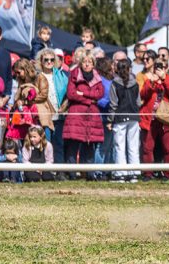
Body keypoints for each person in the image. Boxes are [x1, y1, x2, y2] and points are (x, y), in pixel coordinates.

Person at [62, 52, 104, 180]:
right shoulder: (74, 75)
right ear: (81, 63)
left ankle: (90, 173)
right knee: (73, 144)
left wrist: (82, 94)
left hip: (92, 115)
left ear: (93, 64)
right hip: (76, 114)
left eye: (89, 62)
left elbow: (100, 94)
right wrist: (89, 100)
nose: (87, 64)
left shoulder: (97, 77)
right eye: (85, 62)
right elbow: (71, 94)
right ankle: (72, 173)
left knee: (90, 145)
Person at [139, 60, 169, 181]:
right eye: (156, 67)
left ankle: (168, 174)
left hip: (166, 120)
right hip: (150, 120)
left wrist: (164, 79)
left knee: (168, 148)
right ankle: (148, 174)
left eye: (161, 67)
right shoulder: (149, 81)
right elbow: (143, 95)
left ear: (166, 69)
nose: (158, 70)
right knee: (147, 148)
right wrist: (152, 82)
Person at [107, 59, 140, 183]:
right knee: (133, 146)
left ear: (117, 69)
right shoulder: (135, 83)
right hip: (134, 117)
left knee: (119, 146)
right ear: (130, 68)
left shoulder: (115, 83)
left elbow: (113, 104)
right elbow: (138, 102)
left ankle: (121, 174)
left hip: (120, 117)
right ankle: (134, 174)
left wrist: (110, 120)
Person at [36, 49, 68, 168]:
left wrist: (64, 107)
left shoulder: (62, 75)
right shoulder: (37, 77)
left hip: (59, 115)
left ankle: (59, 171)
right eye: (46, 60)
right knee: (46, 143)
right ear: (41, 61)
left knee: (59, 144)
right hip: (44, 116)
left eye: (52, 59)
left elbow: (68, 94)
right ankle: (46, 170)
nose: (49, 62)